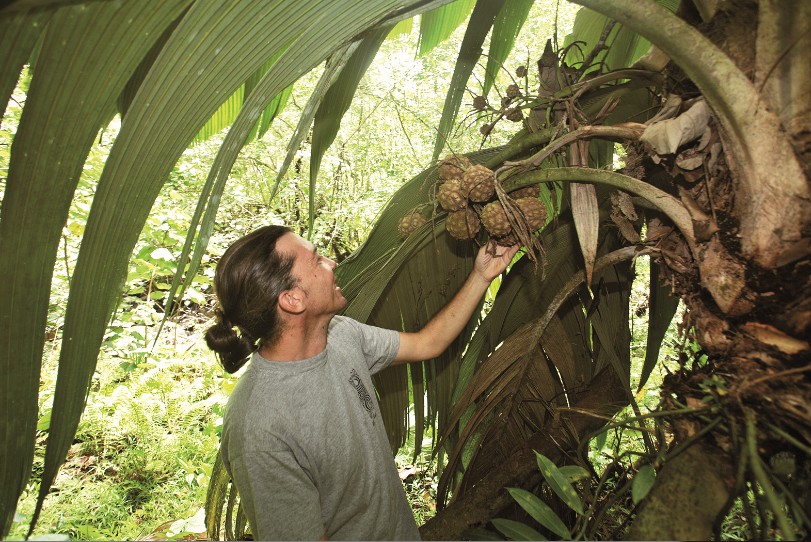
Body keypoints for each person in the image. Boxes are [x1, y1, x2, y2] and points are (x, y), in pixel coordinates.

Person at [205, 225, 519, 541]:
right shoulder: (259, 427)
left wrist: (482, 275)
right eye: (316, 261)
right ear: (293, 299)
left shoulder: (342, 335)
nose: (332, 263)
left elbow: (427, 343)